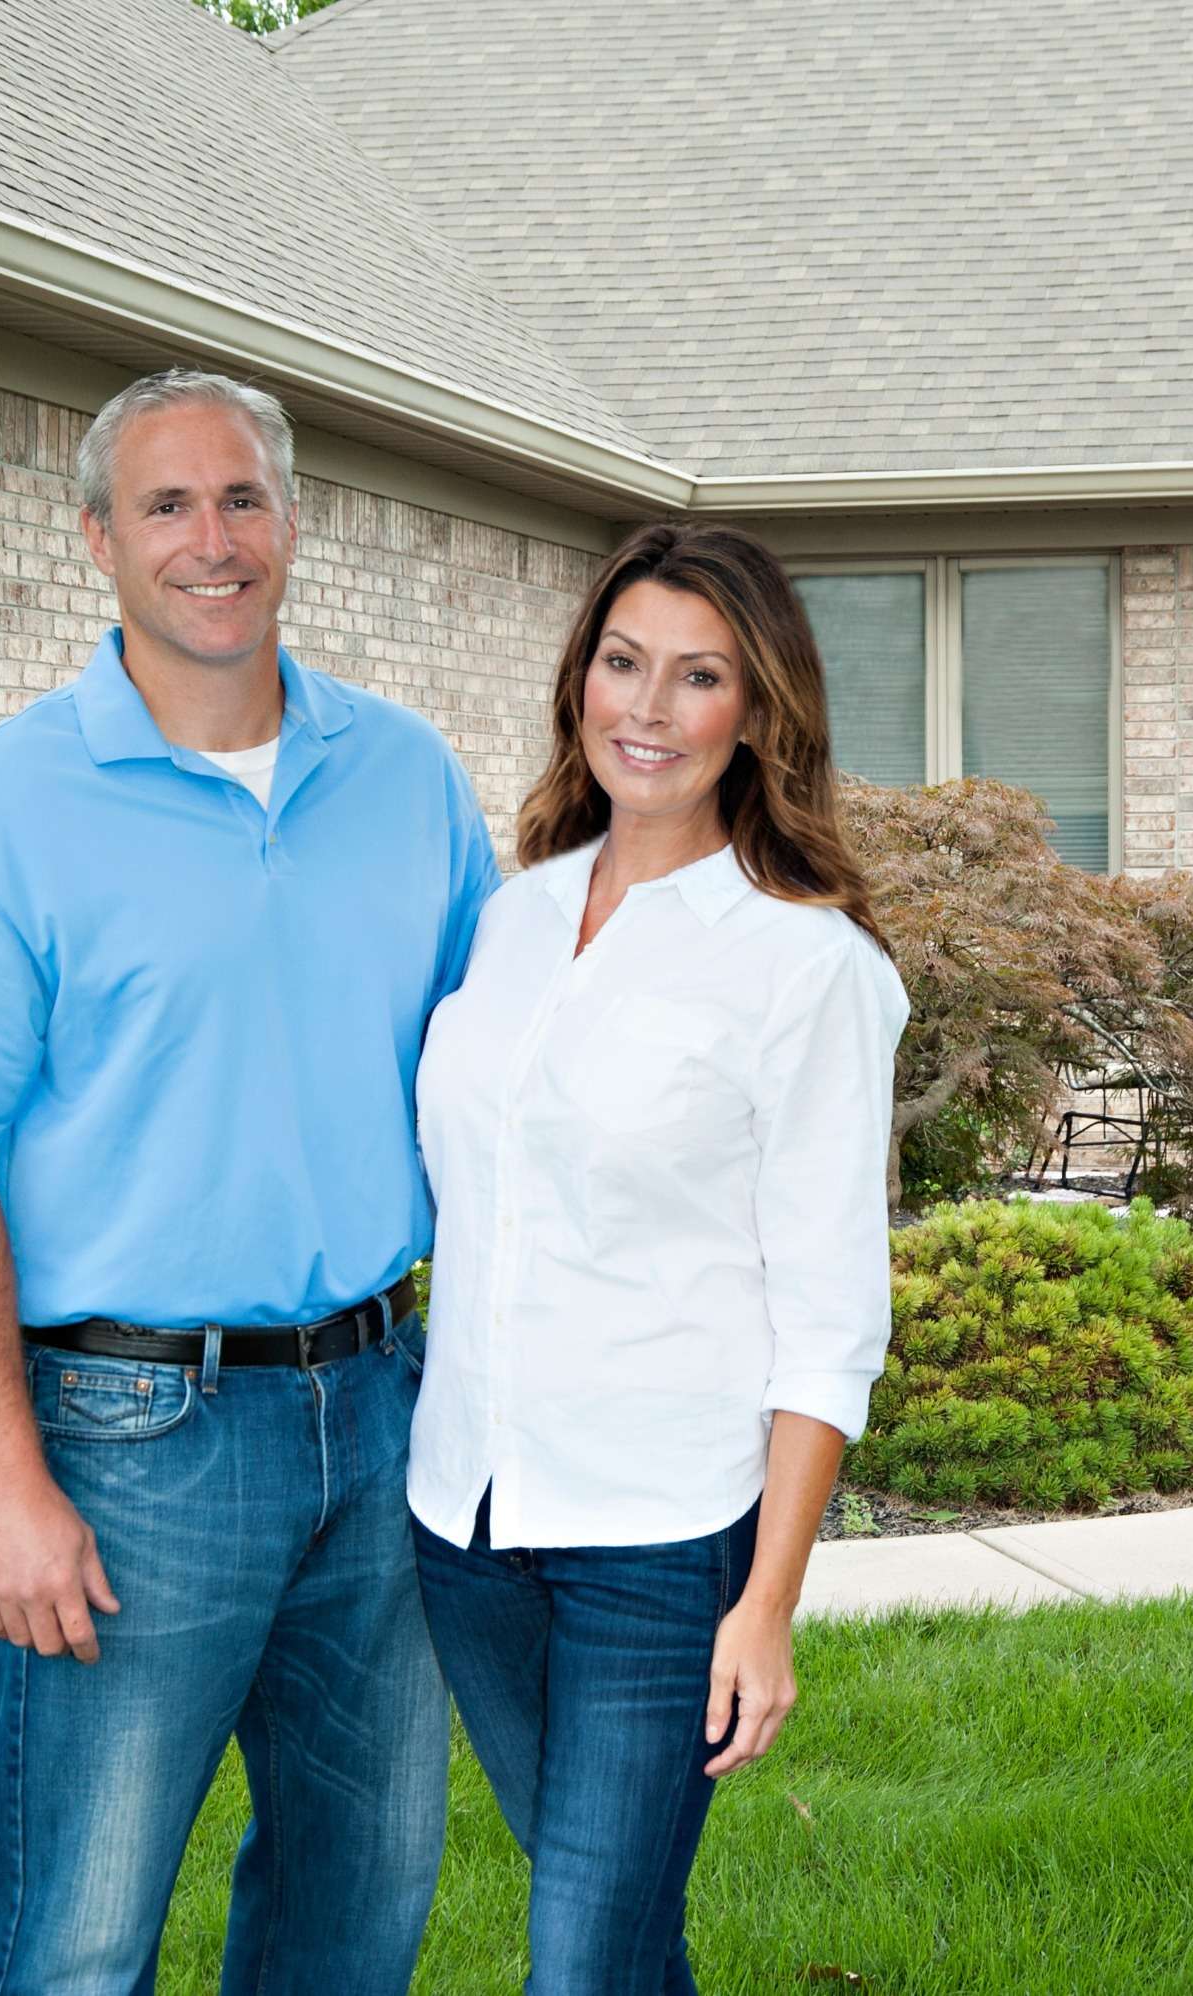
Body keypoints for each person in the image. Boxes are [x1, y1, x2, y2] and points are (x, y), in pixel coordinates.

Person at [0, 368, 501, 1996]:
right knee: (72, 1934)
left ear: (292, 523)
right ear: (98, 539)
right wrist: (4, 1481)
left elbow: (495, 1087)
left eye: (243, 500)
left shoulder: (406, 776)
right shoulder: (4, 807)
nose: (211, 540)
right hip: (133, 1442)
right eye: (167, 504)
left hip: (381, 1411)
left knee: (359, 1910)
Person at [409, 521, 909, 1993]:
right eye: (623, 664)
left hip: (663, 1543)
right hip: (468, 1524)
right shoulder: (510, 921)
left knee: (577, 1962)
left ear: (756, 715)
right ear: (580, 681)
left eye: (698, 678)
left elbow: (832, 1318)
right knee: (617, 1944)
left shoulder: (808, 967)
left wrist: (766, 1604)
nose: (648, 708)